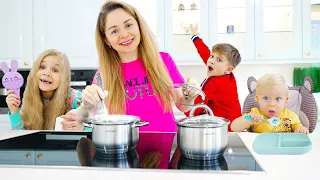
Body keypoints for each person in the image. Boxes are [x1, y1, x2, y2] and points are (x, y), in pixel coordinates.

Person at [62, 1, 198, 168]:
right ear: (107, 40)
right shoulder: (104, 74)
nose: (124, 34)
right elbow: (92, 116)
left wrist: (189, 95)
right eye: (114, 31)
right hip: (122, 151)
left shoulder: (163, 60)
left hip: (163, 147)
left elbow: (183, 105)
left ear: (139, 26)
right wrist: (81, 116)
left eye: (128, 25)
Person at [6, 49, 88, 131]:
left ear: (63, 78)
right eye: (42, 67)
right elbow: (21, 135)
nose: (46, 73)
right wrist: (14, 112)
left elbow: (96, 130)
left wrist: (82, 128)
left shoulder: (76, 98)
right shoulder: (30, 98)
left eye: (55, 70)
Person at [186, 23, 242, 131]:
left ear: (229, 69)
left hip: (225, 131)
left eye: (219, 59)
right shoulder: (227, 75)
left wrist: (186, 103)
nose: (211, 60)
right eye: (212, 56)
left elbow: (194, 110)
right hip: (236, 127)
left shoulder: (213, 83)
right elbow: (205, 53)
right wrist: (195, 36)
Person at [231, 73, 309, 134]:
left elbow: (300, 130)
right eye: (266, 98)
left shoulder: (291, 116)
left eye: (277, 99)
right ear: (258, 99)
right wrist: (248, 120)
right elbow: (234, 127)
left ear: (286, 100)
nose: (271, 104)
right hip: (261, 150)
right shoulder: (255, 114)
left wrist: (301, 130)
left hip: (284, 150)